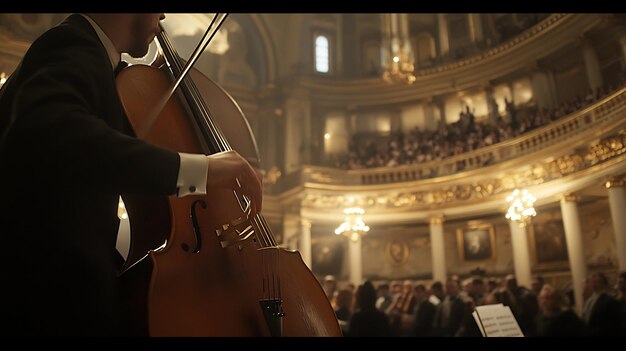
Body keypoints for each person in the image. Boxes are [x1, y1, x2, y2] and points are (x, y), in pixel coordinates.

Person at [0, 13, 263, 336]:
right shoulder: (72, 44)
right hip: (50, 303)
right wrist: (201, 169)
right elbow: (53, 130)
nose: (163, 14)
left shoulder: (94, 60)